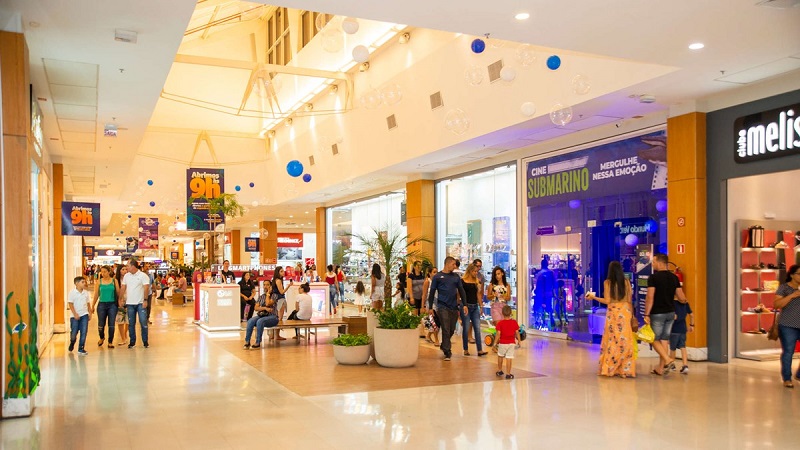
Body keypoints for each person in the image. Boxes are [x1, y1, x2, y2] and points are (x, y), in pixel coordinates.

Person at [586, 261, 637, 378]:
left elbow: (607, 300)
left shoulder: (608, 283)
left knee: (612, 340)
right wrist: (632, 315)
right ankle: (625, 368)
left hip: (613, 313)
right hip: (625, 312)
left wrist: (593, 297)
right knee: (625, 340)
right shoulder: (626, 282)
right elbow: (629, 300)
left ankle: (611, 367)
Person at [644, 253, 687, 376]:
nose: (653, 264)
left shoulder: (653, 278)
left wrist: (646, 314)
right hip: (670, 312)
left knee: (652, 338)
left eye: (654, 262)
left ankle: (668, 360)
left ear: (660, 262)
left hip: (657, 312)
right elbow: (682, 298)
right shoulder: (674, 278)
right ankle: (660, 368)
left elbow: (650, 297)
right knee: (664, 339)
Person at [427, 256, 467, 361]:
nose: (455, 266)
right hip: (442, 306)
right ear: (447, 264)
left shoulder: (455, 277)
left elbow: (461, 290)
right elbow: (432, 292)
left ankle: (444, 345)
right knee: (445, 327)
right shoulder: (438, 277)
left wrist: (465, 304)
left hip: (453, 306)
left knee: (451, 329)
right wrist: (430, 307)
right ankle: (448, 351)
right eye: (453, 264)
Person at [774, 264, 800, 388]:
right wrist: (792, 296)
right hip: (788, 325)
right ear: (792, 275)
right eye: (799, 274)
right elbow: (777, 305)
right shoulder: (784, 288)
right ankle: (787, 378)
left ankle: (799, 374)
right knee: (788, 352)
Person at [120, 259, 151, 349]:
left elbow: (146, 288)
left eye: (128, 266)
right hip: (130, 303)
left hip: (140, 303)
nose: (126, 268)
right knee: (131, 323)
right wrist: (120, 298)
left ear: (133, 266)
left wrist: (145, 300)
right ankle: (132, 341)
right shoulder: (126, 276)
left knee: (143, 322)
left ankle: (145, 341)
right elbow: (123, 287)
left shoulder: (143, 276)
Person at [460, 263, 488, 357]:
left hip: (475, 306)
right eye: (474, 271)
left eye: (477, 271)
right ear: (470, 271)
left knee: (477, 327)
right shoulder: (463, 281)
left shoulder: (477, 282)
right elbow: (459, 294)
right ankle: (465, 349)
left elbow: (478, 295)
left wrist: (481, 306)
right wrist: (461, 304)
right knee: (466, 327)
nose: (476, 273)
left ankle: (479, 349)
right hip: (466, 306)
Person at [92, 266, 119, 349]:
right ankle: (101, 337)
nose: (103, 274)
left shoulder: (114, 281)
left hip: (112, 305)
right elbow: (96, 294)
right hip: (102, 305)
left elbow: (118, 292)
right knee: (101, 324)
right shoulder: (99, 282)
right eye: (102, 272)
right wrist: (93, 305)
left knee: (111, 324)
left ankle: (110, 341)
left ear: (109, 272)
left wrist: (121, 301)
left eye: (105, 272)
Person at [493, 305, 521, 379]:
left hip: (502, 343)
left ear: (502, 313)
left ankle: (499, 370)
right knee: (509, 358)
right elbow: (517, 332)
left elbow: (498, 334)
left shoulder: (500, 323)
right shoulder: (514, 322)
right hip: (511, 343)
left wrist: (495, 343)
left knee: (500, 356)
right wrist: (519, 341)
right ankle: (508, 374)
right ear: (511, 313)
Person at [68, 276, 93, 355]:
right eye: (82, 282)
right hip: (74, 316)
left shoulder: (85, 293)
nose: (84, 283)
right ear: (76, 283)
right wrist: (75, 314)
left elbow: (88, 303)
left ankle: (81, 348)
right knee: (74, 333)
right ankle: (72, 342)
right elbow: (70, 304)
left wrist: (90, 313)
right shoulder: (72, 293)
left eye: (84, 282)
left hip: (84, 315)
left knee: (84, 331)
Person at [669, 297, 694, 375]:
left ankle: (672, 365)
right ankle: (685, 365)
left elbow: (673, 316)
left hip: (674, 329)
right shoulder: (685, 302)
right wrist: (692, 325)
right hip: (683, 328)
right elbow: (692, 315)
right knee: (683, 346)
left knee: (672, 348)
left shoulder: (671, 303)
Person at [534, 257, 557, 329]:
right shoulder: (551, 273)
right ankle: (551, 319)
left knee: (541, 307)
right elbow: (554, 284)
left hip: (540, 293)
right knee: (549, 306)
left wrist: (536, 292)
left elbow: (536, 284)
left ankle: (542, 321)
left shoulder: (539, 274)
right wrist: (554, 292)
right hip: (548, 293)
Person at [272, 266, 293, 340]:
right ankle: (277, 335)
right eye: (281, 271)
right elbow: (282, 292)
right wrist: (289, 286)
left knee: (276, 317)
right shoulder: (278, 281)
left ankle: (273, 334)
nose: (283, 272)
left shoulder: (275, 280)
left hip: (276, 299)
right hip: (280, 299)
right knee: (279, 318)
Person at [115, 266, 129, 345]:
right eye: (123, 269)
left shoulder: (129, 279)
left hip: (129, 301)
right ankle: (123, 338)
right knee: (120, 320)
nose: (125, 271)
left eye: (126, 269)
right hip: (120, 302)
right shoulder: (116, 281)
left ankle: (125, 334)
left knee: (128, 320)